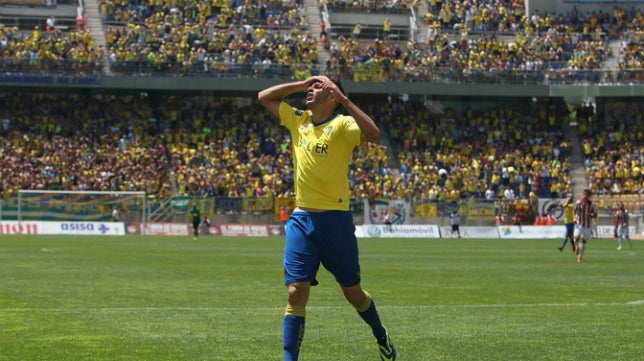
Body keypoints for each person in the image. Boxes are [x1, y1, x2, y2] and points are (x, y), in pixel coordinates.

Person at [258, 75, 396, 361]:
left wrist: (344, 99)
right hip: (302, 218)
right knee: (296, 292)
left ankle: (380, 335)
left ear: (332, 95)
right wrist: (301, 83)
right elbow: (265, 97)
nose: (310, 90)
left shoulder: (342, 124)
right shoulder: (299, 119)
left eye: (318, 87)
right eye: (311, 87)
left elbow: (373, 134)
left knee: (353, 293)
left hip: (335, 221)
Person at [573, 189, 597, 263]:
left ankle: (580, 257)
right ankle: (576, 246)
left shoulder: (592, 204)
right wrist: (574, 217)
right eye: (584, 194)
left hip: (587, 225)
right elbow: (574, 211)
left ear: (589, 195)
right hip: (579, 224)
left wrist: (590, 215)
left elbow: (595, 214)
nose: (585, 195)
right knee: (576, 238)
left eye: (586, 194)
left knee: (584, 241)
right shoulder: (578, 202)